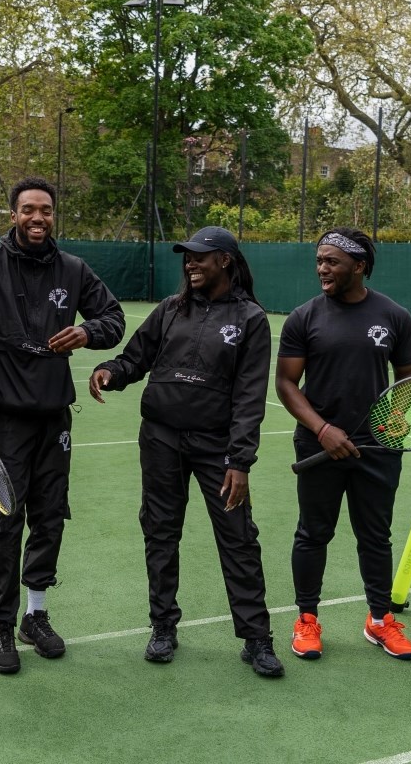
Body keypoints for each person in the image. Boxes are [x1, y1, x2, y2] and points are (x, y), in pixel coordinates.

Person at [0, 176, 125, 674]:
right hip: (4, 418)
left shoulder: (73, 268)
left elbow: (114, 318)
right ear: (13, 215)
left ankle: (35, 616)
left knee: (49, 517)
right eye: (29, 210)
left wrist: (87, 332)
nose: (38, 218)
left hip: (55, 419)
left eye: (45, 210)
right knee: (4, 522)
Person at [89, 226, 283, 678]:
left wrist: (240, 461)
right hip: (160, 439)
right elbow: (134, 358)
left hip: (218, 448)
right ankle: (163, 627)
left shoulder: (250, 319)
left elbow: (250, 397)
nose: (191, 263)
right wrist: (109, 372)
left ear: (225, 261)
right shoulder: (170, 310)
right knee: (160, 531)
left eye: (200, 256)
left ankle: (256, 638)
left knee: (238, 538)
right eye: (187, 257)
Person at [275, 228, 411, 663]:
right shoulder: (304, 317)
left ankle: (379, 620)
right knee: (313, 533)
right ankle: (306, 620)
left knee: (375, 536)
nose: (322, 268)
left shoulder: (394, 315)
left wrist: (397, 411)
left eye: (332, 261)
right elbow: (285, 382)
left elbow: (408, 375)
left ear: (359, 266)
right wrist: (322, 430)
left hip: (377, 449)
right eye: (320, 260)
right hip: (320, 447)